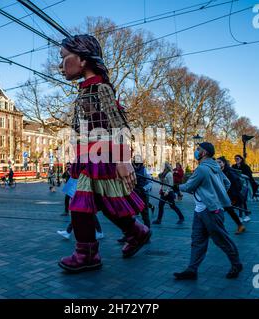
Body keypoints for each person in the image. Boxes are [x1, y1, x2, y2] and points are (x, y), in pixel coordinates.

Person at [57, 34, 150, 273]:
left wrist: (122, 159)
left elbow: (118, 123)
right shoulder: (88, 89)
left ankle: (87, 254)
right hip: (91, 156)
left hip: (100, 156)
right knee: (105, 204)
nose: (60, 65)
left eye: (64, 58)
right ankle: (136, 232)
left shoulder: (100, 88)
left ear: (83, 60)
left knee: (80, 206)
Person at [174, 142, 242, 280]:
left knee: (221, 239)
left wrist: (177, 188)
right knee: (198, 240)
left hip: (210, 211)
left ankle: (236, 264)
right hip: (201, 210)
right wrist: (216, 194)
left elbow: (188, 186)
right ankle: (192, 270)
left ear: (204, 153)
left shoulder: (202, 169)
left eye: (198, 149)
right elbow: (227, 183)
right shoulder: (215, 167)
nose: (196, 151)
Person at [216, 156, 246, 234]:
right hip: (223, 196)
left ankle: (218, 229)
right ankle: (240, 225)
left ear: (224, 163)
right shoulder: (218, 171)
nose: (218, 164)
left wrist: (233, 197)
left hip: (231, 196)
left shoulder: (229, 172)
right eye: (216, 162)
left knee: (220, 211)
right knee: (228, 211)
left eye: (219, 162)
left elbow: (237, 185)